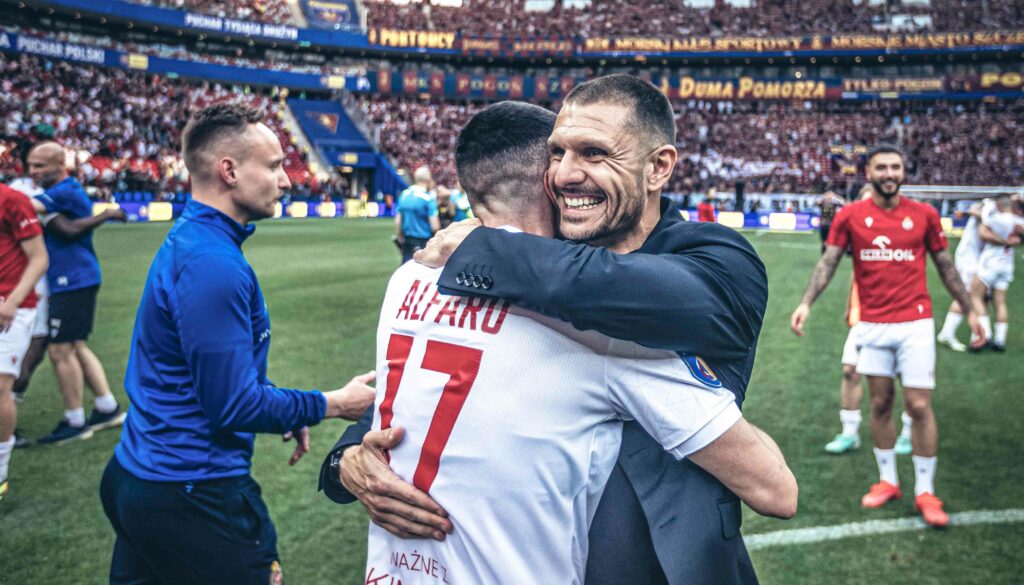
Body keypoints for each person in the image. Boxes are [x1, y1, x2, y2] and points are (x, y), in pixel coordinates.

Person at [325, 75, 771, 584]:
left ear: (658, 167)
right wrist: (347, 459)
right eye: (556, 153)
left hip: (674, 567)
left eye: (595, 153)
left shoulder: (713, 257)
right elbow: (444, 374)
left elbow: (631, 293)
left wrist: (490, 246)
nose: (564, 173)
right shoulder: (529, 265)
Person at [99, 104, 376, 585]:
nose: (286, 180)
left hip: (140, 476)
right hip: (193, 494)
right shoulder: (213, 264)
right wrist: (331, 405)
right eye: (273, 166)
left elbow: (208, 375)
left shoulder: (194, 242)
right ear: (228, 170)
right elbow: (232, 405)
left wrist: (288, 411)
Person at [790, 144, 984, 528]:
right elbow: (829, 261)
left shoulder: (925, 215)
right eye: (882, 167)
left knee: (919, 407)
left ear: (903, 171)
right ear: (869, 173)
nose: (890, 173)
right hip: (872, 326)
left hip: (915, 324)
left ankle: (926, 490)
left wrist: (973, 311)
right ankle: (888, 481)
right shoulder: (850, 216)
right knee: (880, 405)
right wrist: (806, 302)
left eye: (896, 166)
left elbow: (945, 266)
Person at [25, 142, 126, 445]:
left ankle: (75, 420)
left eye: (40, 166)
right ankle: (107, 407)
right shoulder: (61, 193)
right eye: (31, 165)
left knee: (60, 350)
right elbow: (63, 226)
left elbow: (52, 222)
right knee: (76, 346)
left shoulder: (63, 191)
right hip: (74, 278)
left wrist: (106, 214)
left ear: (60, 164)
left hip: (73, 279)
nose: (33, 172)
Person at [824, 185, 913, 456]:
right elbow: (859, 272)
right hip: (864, 318)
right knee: (850, 371)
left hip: (899, 318)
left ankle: (909, 432)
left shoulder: (901, 232)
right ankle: (849, 433)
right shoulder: (861, 234)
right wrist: (849, 307)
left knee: (903, 377)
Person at [0, 183, 48, 499]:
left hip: (11, 307)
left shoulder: (12, 201)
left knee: (0, 386)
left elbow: (39, 258)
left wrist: (12, 301)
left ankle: (0, 471)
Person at [936, 198, 1001, 352]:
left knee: (979, 295)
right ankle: (948, 333)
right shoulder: (990, 206)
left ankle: (979, 335)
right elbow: (974, 210)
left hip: (978, 257)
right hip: (968, 258)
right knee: (968, 294)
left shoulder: (999, 211)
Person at [968, 197, 1024, 351]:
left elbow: (983, 233)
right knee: (1000, 302)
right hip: (1007, 262)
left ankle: (985, 336)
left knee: (975, 296)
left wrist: (984, 208)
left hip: (991, 261)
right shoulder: (1019, 221)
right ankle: (1000, 341)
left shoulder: (1000, 219)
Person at [395, 166, 440, 263]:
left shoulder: (404, 194)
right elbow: (435, 226)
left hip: (408, 239)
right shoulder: (428, 198)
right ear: (428, 179)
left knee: (405, 267)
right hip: (423, 240)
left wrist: (399, 238)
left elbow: (398, 221)